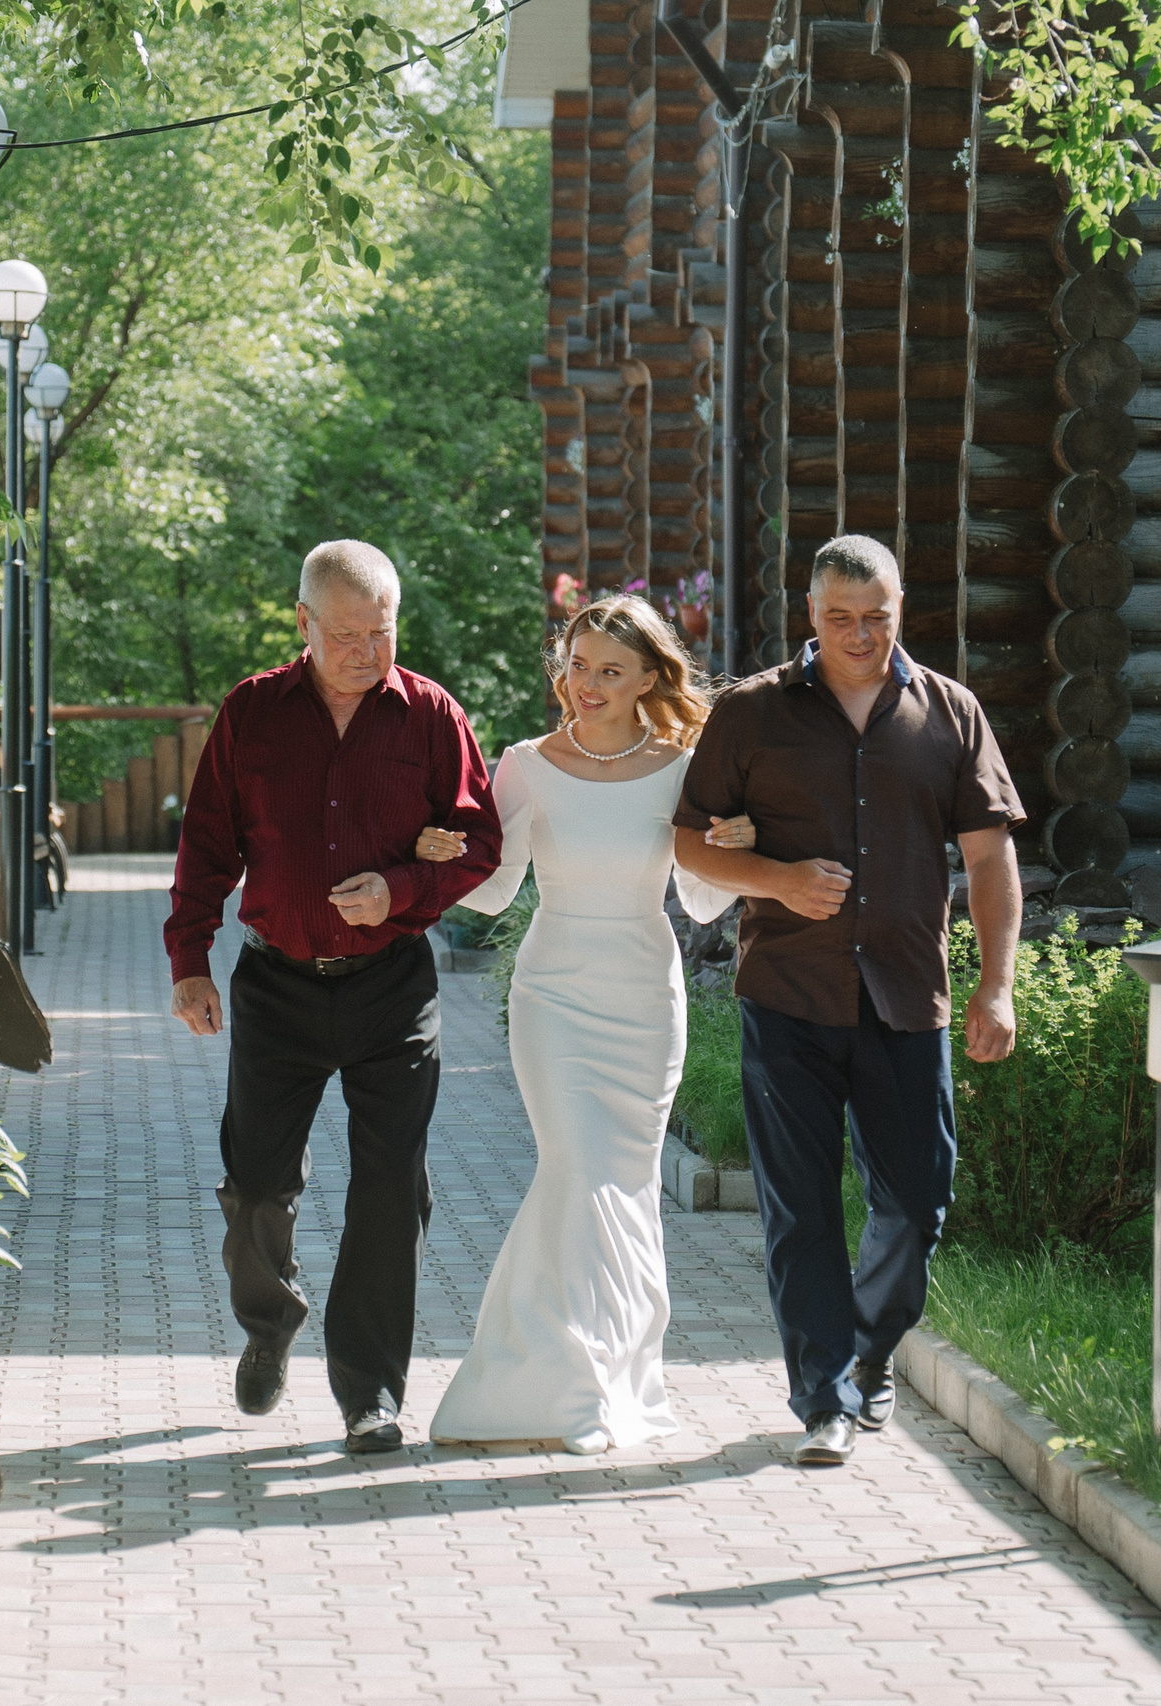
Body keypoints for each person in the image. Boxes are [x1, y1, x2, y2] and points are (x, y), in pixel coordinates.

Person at [671, 535, 1024, 1468]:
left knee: (917, 1200)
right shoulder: (751, 713)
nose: (860, 636)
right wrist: (779, 880)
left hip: (909, 997)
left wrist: (997, 984)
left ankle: (869, 1360)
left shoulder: (950, 712)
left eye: (877, 618)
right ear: (811, 615)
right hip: (788, 994)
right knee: (801, 1211)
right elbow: (692, 847)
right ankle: (825, 1397)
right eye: (840, 620)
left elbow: (991, 859)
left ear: (900, 607)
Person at [165, 540, 504, 1454]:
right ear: (303, 624)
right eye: (344, 634)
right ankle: (270, 1322)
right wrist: (188, 958)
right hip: (276, 984)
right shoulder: (252, 713)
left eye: (380, 632)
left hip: (393, 988)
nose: (364, 650)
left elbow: (479, 842)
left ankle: (371, 1391)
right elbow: (207, 844)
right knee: (256, 1185)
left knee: (394, 1183)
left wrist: (402, 888)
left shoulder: (431, 716)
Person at [408, 595, 743, 1455]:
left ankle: (613, 1381)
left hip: (644, 998)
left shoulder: (683, 767)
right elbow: (491, 892)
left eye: (610, 670)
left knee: (622, 1191)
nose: (586, 684)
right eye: (578, 664)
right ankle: (577, 1391)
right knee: (580, 1170)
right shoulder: (523, 764)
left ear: (649, 680)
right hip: (553, 998)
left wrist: (734, 845)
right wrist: (442, 854)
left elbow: (703, 900)